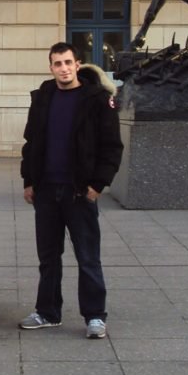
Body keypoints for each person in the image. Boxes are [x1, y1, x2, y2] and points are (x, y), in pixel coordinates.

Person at [19, 42, 123, 339]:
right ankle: (48, 312)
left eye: (68, 62)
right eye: (57, 63)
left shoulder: (98, 99)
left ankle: (94, 316)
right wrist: (29, 181)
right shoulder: (42, 98)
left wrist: (97, 185)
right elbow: (31, 143)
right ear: (50, 67)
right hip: (46, 191)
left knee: (88, 257)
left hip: (79, 192)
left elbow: (111, 146)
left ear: (78, 64)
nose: (63, 68)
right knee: (48, 257)